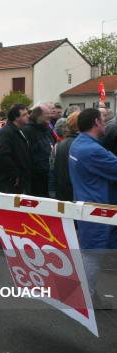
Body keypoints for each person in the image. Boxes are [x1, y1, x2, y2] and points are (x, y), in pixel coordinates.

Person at [69, 108, 117, 309]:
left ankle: (87, 297)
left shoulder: (79, 143)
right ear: (97, 122)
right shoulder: (92, 150)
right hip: (97, 211)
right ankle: (84, 299)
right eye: (104, 121)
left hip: (90, 207)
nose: (106, 124)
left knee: (91, 254)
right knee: (93, 255)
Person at [0, 104, 32, 194]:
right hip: (10, 182)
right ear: (16, 117)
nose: (28, 116)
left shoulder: (18, 130)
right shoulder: (6, 132)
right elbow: (1, 155)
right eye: (24, 115)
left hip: (17, 180)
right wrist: (15, 174)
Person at [22, 105, 54, 197]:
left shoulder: (47, 129)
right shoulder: (27, 131)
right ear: (38, 116)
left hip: (48, 176)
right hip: (35, 178)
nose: (50, 116)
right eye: (46, 114)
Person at [54, 111, 80, 201]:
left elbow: (53, 169)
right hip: (73, 193)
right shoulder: (77, 144)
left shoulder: (60, 143)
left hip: (62, 191)